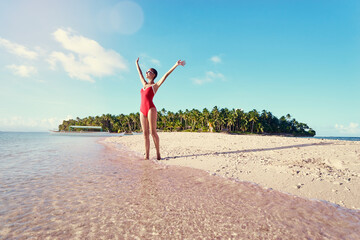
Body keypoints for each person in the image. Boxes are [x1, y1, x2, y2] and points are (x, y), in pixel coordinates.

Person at [135, 57, 185, 160]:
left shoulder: (155, 85)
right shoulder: (144, 84)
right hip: (141, 110)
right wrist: (136, 63)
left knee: (153, 132)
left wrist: (176, 65)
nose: (147, 72)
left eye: (149, 71)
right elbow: (139, 73)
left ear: (153, 75)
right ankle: (147, 156)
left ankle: (158, 154)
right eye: (147, 71)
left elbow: (166, 75)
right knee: (145, 134)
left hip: (151, 109)